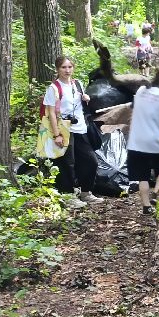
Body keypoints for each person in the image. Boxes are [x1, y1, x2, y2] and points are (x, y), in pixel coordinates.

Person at [41, 56, 103, 206]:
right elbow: (51, 114)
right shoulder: (54, 88)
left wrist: (85, 98)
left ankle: (85, 192)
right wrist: (57, 135)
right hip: (64, 130)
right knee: (67, 164)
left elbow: (79, 105)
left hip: (80, 128)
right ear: (57, 69)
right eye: (63, 67)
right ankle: (68, 196)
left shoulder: (78, 84)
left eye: (69, 67)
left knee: (90, 161)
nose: (67, 70)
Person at [127, 68, 159, 216]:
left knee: (142, 176)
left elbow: (133, 106)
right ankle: (156, 192)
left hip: (136, 142)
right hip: (157, 141)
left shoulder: (142, 90)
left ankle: (146, 206)